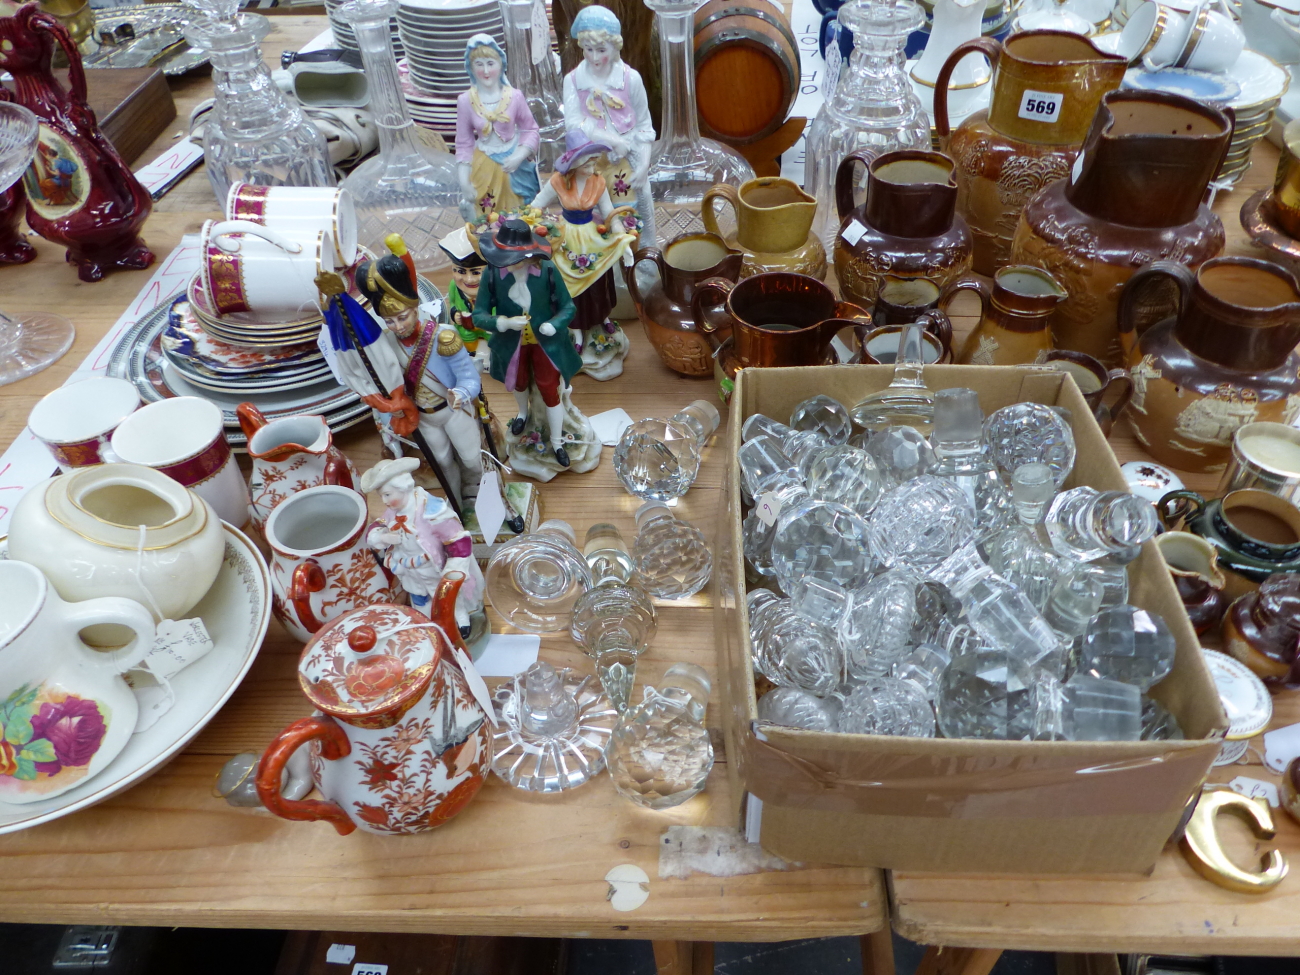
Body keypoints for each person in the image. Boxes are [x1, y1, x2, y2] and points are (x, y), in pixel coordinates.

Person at [355, 234, 485, 507]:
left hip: (452, 409)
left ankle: (482, 494)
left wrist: (461, 392)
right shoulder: (386, 345)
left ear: (415, 309)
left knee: (472, 457)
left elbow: (469, 376)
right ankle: (456, 501)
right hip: (423, 417)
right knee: (442, 462)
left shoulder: (443, 337)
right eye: (390, 321)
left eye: (402, 317)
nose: (397, 326)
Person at [471, 218, 585, 470]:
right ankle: (523, 413)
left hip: (545, 343)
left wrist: (553, 324)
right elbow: (478, 315)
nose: (511, 264)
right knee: (518, 381)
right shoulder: (491, 275)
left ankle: (556, 442)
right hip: (512, 344)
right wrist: (503, 322)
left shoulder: (548, 271)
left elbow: (568, 307)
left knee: (548, 387)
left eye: (517, 258)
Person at [530, 130, 636, 380]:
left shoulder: (598, 181)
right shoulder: (557, 181)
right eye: (588, 160)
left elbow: (610, 213)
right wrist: (534, 224)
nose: (593, 164)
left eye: (594, 159)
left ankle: (603, 319)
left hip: (592, 238)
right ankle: (576, 332)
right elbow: (536, 205)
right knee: (569, 289)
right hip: (567, 241)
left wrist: (624, 241)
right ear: (575, 162)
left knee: (599, 284)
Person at [360, 457, 486, 642]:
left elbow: (458, 540)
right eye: (382, 496)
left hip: (433, 566)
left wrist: (454, 568)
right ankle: (428, 625)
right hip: (409, 568)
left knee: (447, 596)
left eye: (387, 494)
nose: (384, 501)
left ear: (403, 487)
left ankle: (461, 619)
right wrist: (382, 536)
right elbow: (378, 525)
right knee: (419, 596)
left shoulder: (433, 511)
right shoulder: (394, 512)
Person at [563, 5, 656, 245]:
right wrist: (611, 140)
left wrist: (644, 164)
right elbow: (573, 125)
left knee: (640, 202)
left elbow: (645, 126)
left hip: (629, 154)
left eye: (601, 50)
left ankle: (644, 255)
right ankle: (605, 265)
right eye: (588, 49)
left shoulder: (630, 79)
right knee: (594, 214)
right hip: (590, 157)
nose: (594, 57)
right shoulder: (573, 81)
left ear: (615, 47)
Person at [456, 34, 541, 221]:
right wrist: (463, 180)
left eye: (490, 63)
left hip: (513, 165)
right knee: (486, 214)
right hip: (483, 165)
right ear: (471, 68)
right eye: (479, 64)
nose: (486, 71)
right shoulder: (465, 101)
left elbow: (530, 129)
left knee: (519, 213)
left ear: (501, 65)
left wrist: (519, 156)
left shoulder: (515, 96)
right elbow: (464, 143)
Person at [438, 225, 492, 370]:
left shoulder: (495, 290)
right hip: (467, 327)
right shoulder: (454, 286)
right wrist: (455, 314)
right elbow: (454, 303)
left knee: (493, 339)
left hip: (490, 329)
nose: (469, 280)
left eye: (475, 273)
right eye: (460, 272)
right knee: (465, 336)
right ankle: (470, 354)